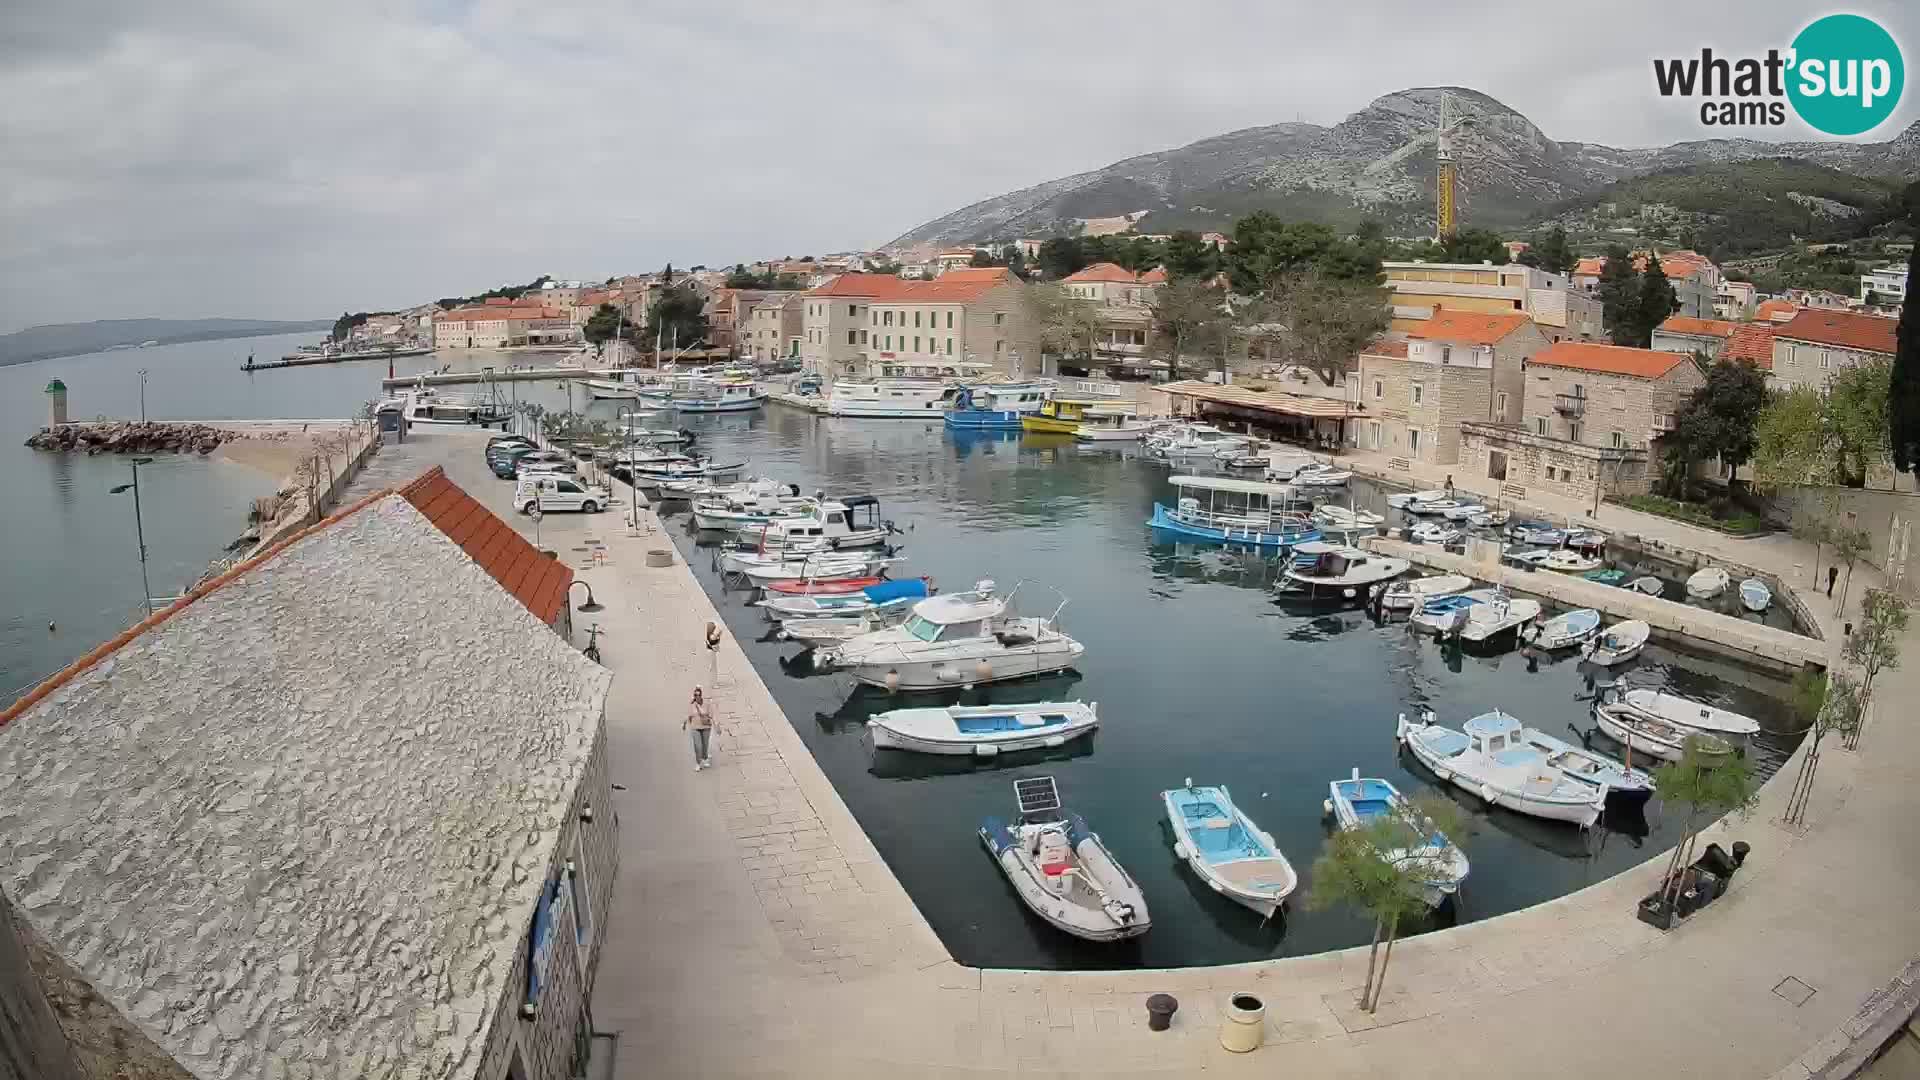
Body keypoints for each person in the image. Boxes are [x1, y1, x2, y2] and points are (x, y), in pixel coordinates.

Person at [684, 687, 714, 770]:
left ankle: (705, 758)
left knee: (705, 745)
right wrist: (684, 724)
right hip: (695, 727)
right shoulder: (692, 705)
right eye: (695, 695)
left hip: (706, 727)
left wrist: (715, 723)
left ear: (701, 695)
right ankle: (698, 763)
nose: (697, 696)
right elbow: (688, 715)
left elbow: (711, 715)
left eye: (698, 695)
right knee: (698, 746)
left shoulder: (706, 704)